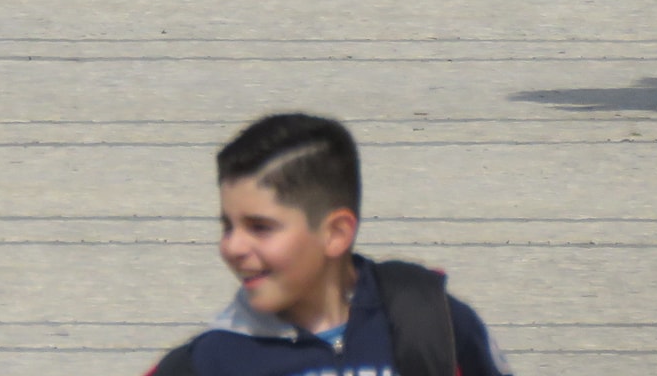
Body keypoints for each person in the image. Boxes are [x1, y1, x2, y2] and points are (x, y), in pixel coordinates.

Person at [144, 114, 512, 376]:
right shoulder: (211, 362)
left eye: (260, 227)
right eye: (227, 226)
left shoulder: (432, 322)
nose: (233, 247)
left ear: (336, 233)